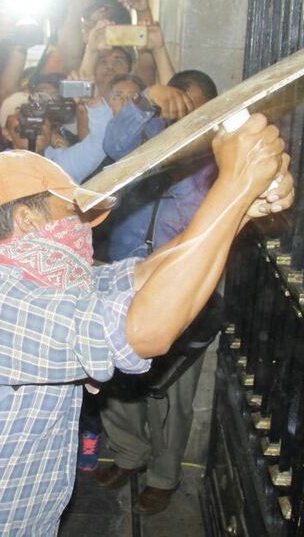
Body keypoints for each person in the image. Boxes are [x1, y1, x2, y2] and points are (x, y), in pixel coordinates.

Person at [0, 111, 294, 533]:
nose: (84, 230)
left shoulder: (46, 280)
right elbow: (144, 330)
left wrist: (239, 210)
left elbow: (146, 275)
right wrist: (233, 186)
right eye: (72, 215)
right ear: (28, 220)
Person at [94, 70, 220, 514]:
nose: (183, 113)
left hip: (181, 289)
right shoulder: (144, 141)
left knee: (171, 392)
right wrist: (147, 97)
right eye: (177, 102)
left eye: (195, 106)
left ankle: (165, 474)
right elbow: (112, 144)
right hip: (123, 280)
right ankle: (128, 453)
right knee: (116, 380)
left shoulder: (216, 160)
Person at [0, 86, 112, 184]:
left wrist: (94, 102)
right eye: (23, 115)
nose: (34, 121)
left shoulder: (62, 164)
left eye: (39, 114)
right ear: (7, 134)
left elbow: (101, 141)